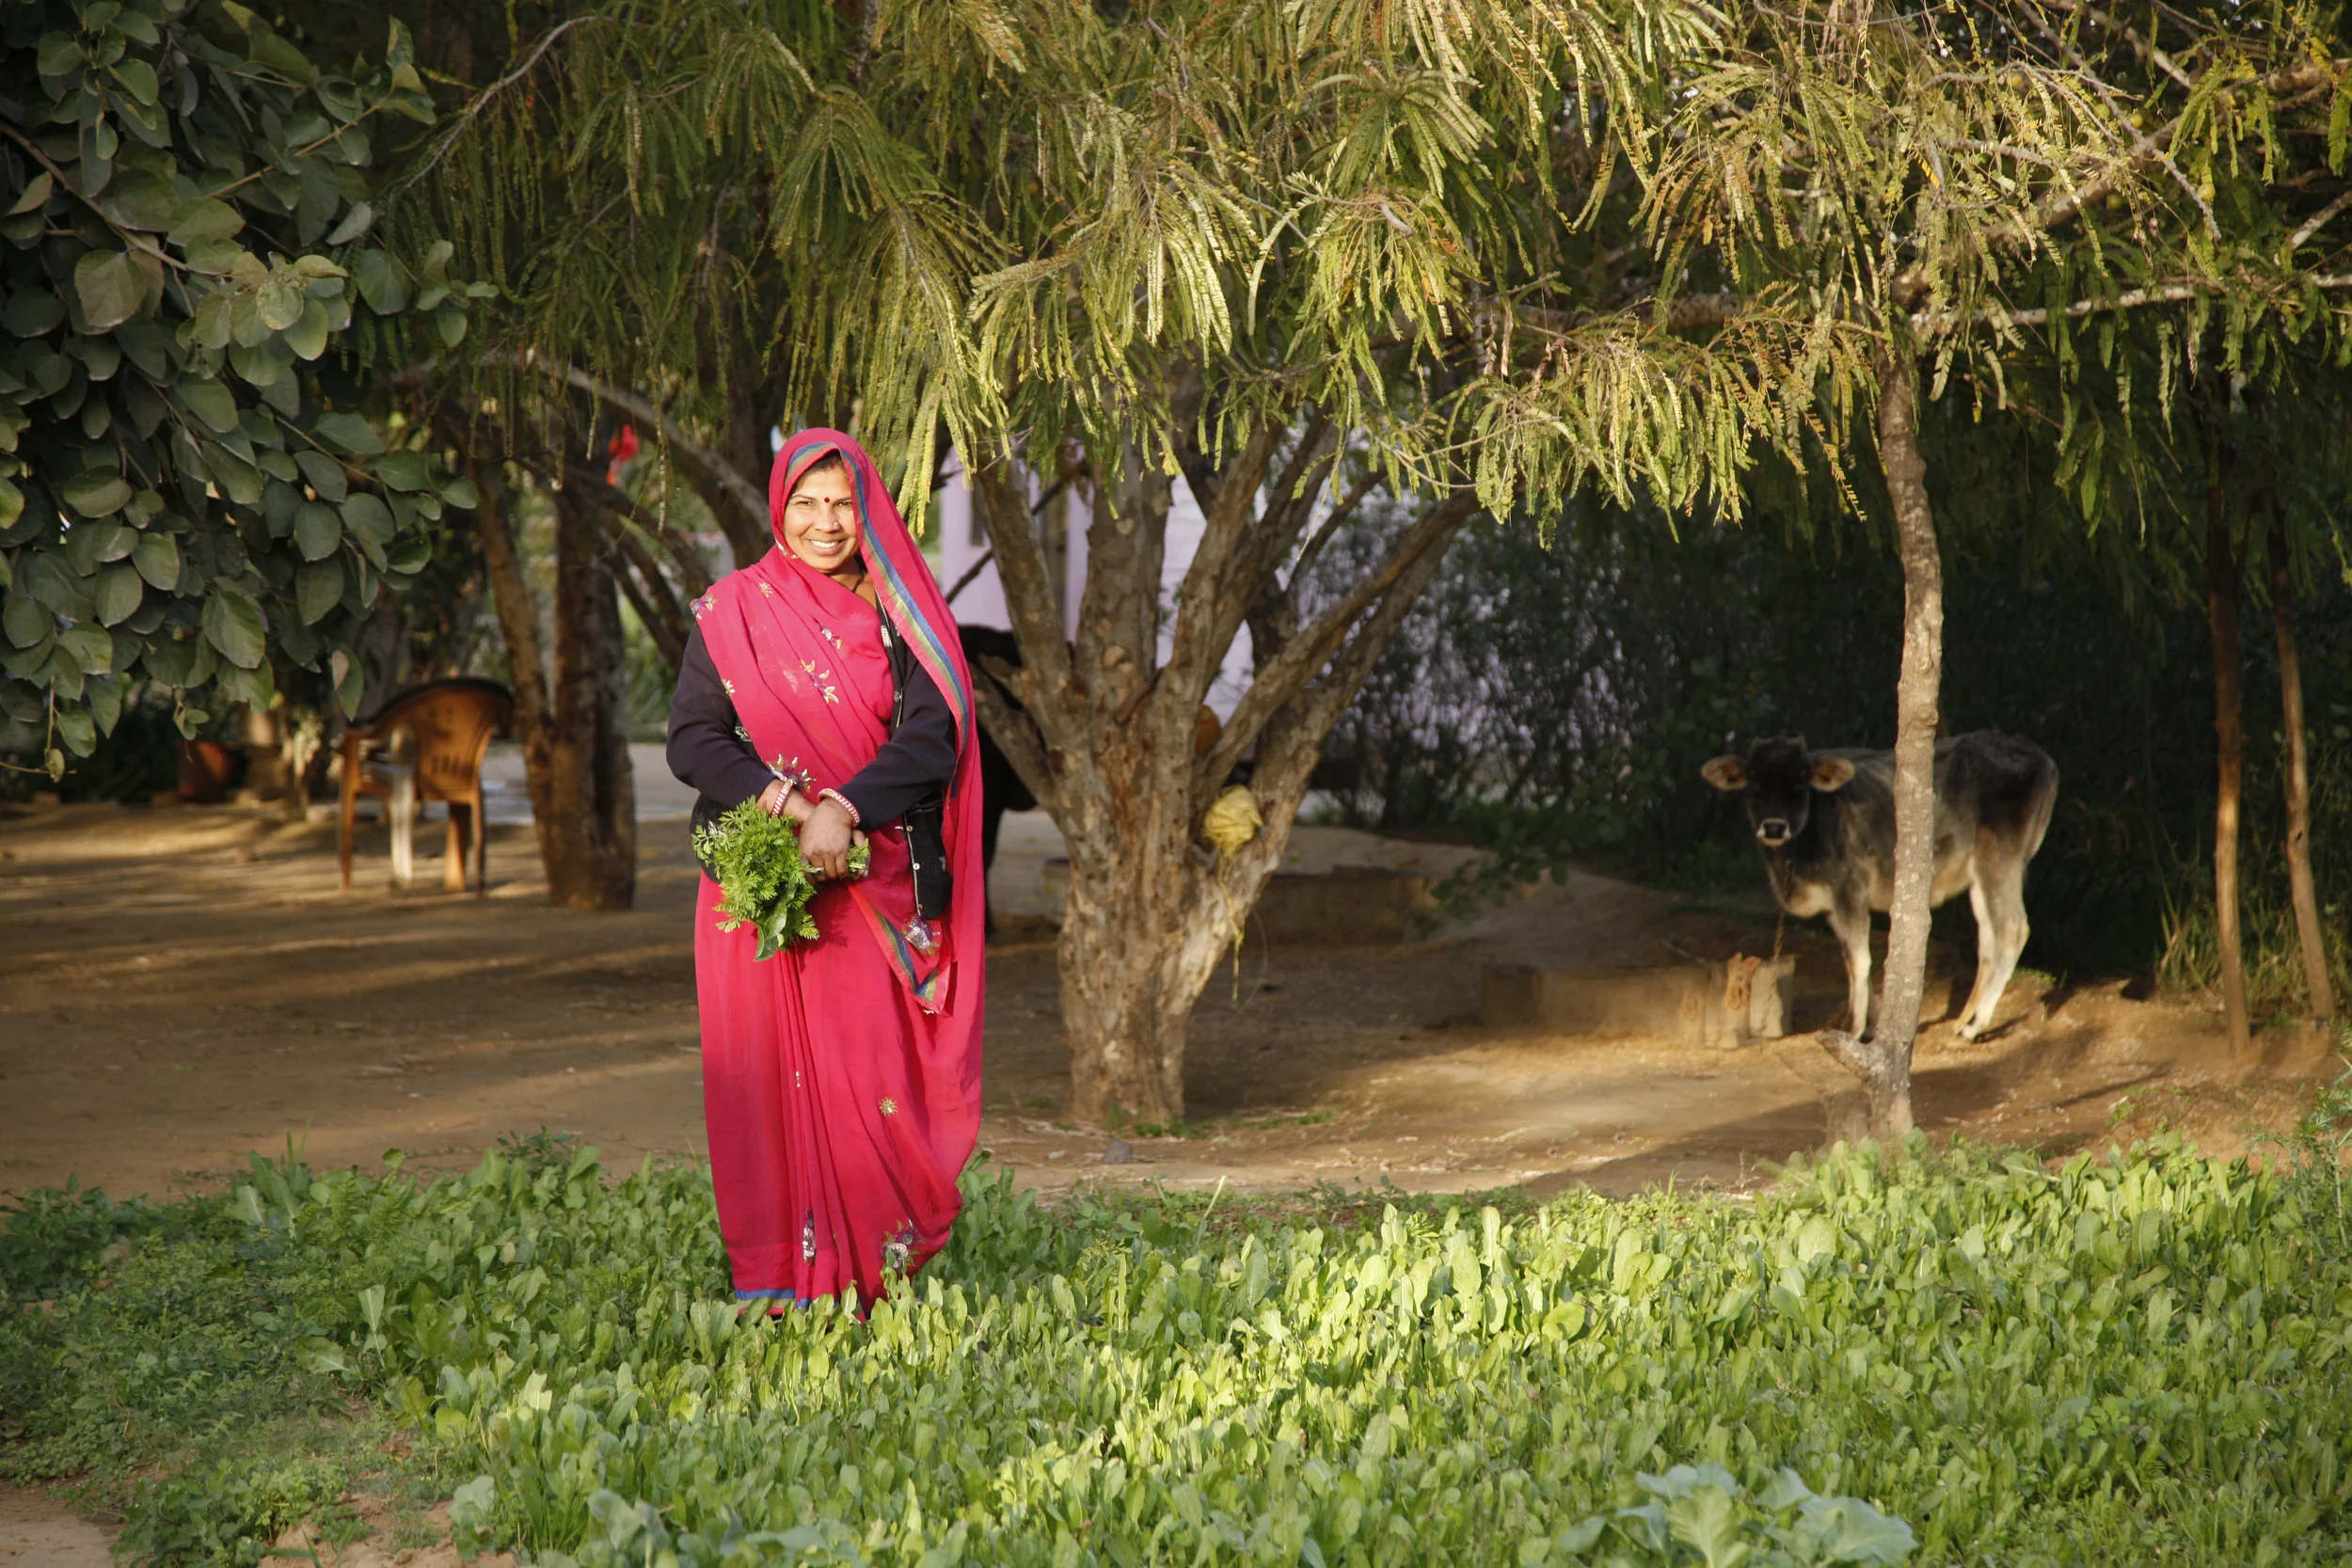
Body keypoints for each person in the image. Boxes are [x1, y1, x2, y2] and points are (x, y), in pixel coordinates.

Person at [666, 429, 985, 1309]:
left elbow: (934, 734)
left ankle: (872, 1273)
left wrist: (847, 807)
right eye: (805, 503)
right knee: (765, 1082)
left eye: (842, 502)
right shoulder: (733, 610)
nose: (824, 521)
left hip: (869, 887)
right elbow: (693, 739)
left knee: (872, 1080)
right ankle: (777, 1276)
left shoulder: (904, 612)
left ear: (867, 508)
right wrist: (796, 806)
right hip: (756, 892)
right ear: (779, 509)